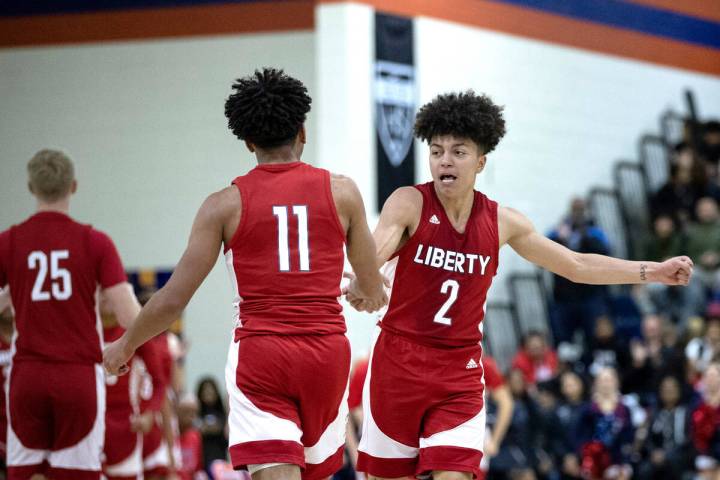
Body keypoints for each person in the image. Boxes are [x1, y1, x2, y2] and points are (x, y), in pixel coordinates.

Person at [344, 90, 694, 479]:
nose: (445, 160)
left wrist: (654, 270)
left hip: (458, 370)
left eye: (458, 151)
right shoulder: (409, 202)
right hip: (399, 362)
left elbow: (576, 264)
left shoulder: (501, 222)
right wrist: (364, 282)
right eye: (437, 150)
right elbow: (372, 255)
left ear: (481, 161)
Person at [104, 68, 387, 480]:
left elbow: (171, 301)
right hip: (327, 355)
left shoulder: (223, 205)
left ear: (248, 141)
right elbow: (371, 284)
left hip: (262, 355)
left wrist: (125, 345)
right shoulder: (343, 192)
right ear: (302, 131)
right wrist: (365, 291)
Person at [0, 149, 140, 479]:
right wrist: (124, 348)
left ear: (31, 188)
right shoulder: (95, 242)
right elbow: (129, 316)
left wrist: (12, 295)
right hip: (77, 375)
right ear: (73, 186)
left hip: (27, 376)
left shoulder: (10, 242)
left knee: (25, 471)